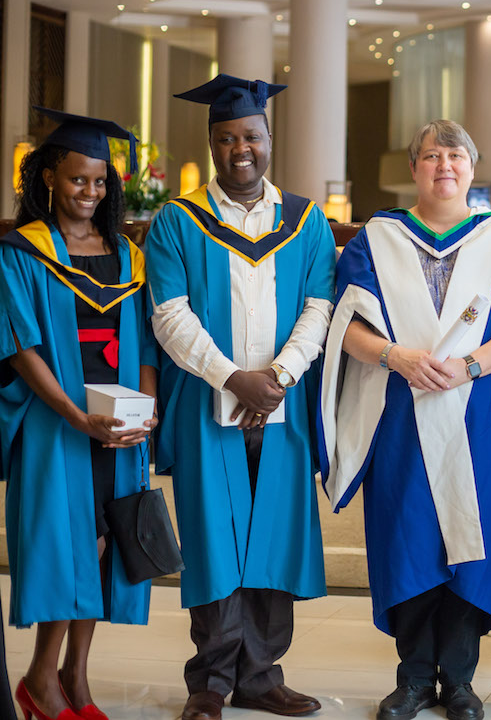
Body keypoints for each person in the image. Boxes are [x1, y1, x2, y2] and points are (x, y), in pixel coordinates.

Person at [318, 119, 491, 720]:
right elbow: (346, 327)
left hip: (477, 410)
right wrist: (397, 357)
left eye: (455, 156)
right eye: (431, 156)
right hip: (399, 410)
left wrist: (471, 365)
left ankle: (461, 679)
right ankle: (414, 678)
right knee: (407, 536)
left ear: (472, 169)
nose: (443, 165)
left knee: (472, 543)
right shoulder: (377, 239)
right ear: (414, 168)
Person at [145, 75, 335, 720]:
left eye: (250, 135)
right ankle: (210, 682)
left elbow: (320, 307)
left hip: (283, 408)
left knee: (273, 536)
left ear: (269, 139)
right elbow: (168, 314)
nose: (240, 148)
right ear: (212, 144)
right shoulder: (177, 220)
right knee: (213, 537)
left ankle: (261, 676)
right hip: (209, 403)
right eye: (226, 138)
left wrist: (277, 377)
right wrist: (232, 377)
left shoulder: (307, 221)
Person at [0, 109, 158, 720]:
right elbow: (20, 345)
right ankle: (41, 681)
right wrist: (73, 415)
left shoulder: (126, 255)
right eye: (76, 180)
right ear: (47, 178)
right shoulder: (23, 251)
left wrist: (144, 413)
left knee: (108, 544)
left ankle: (75, 678)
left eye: (100, 182)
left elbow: (144, 343)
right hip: (56, 420)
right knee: (73, 544)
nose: (89, 193)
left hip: (117, 424)